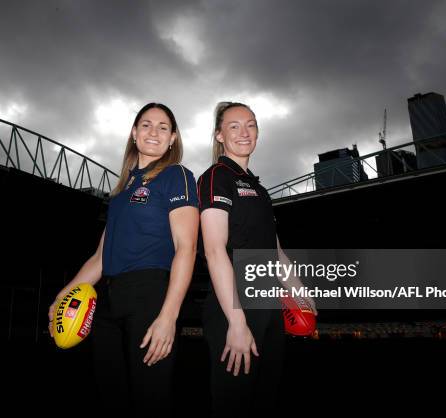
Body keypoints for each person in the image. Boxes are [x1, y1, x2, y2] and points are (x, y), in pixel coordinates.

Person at [48, 103, 199, 415]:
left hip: (150, 295)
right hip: (107, 302)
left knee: (150, 400)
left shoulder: (177, 176)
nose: (153, 132)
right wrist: (64, 294)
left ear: (173, 138)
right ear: (134, 133)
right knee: (111, 400)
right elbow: (101, 257)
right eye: (146, 124)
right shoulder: (120, 191)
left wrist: (168, 317)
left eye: (163, 127)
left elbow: (187, 248)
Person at [197, 102, 317, 416]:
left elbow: (275, 252)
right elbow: (213, 250)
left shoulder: (259, 189)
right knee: (233, 405)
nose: (244, 132)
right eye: (234, 125)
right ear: (219, 135)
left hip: (269, 306)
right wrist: (236, 322)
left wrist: (298, 290)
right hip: (234, 305)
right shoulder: (215, 178)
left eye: (250, 124)